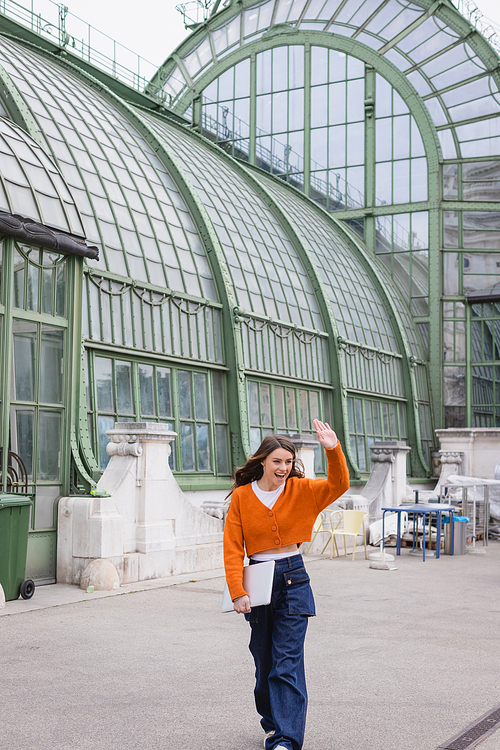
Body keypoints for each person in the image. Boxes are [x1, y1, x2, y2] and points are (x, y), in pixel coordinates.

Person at [223, 419, 349, 750]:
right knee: (263, 662)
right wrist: (238, 592)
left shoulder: (302, 490)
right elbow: (233, 548)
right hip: (259, 579)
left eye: (288, 462)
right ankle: (272, 723)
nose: (283, 468)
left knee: (286, 662)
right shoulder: (241, 497)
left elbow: (339, 484)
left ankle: (286, 740)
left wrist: (332, 449)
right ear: (262, 460)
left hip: (294, 576)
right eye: (277, 461)